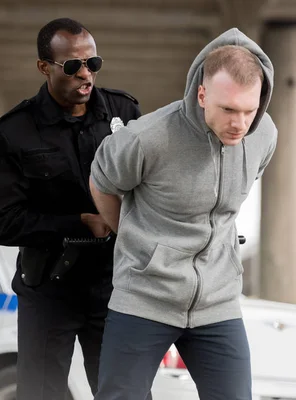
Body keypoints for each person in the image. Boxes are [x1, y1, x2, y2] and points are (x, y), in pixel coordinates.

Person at [89, 28, 277, 399]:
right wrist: (131, 237)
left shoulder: (263, 133)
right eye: (228, 110)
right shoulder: (149, 137)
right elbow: (102, 181)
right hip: (145, 296)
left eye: (249, 110)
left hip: (217, 302)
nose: (240, 123)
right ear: (202, 94)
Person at [0, 18, 141, 399]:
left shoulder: (124, 112)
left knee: (126, 393)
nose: (86, 74)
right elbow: (0, 224)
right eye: (72, 66)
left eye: (93, 64)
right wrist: (79, 223)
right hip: (49, 288)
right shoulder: (13, 132)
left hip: (114, 286)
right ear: (44, 67)